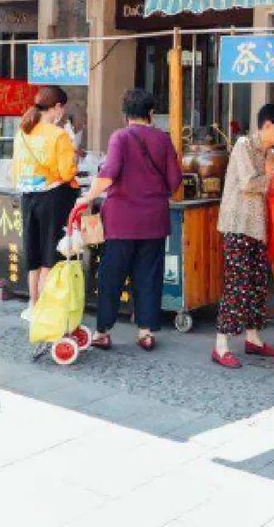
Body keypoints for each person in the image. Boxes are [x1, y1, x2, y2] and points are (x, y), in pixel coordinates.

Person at [74, 89, 181, 352]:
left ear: (125, 115)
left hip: (121, 222)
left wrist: (86, 198)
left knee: (112, 276)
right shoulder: (163, 140)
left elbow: (108, 174)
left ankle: (102, 331)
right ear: (151, 113)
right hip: (154, 221)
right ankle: (146, 331)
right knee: (149, 275)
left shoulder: (120, 137)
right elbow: (175, 181)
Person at [213, 103, 274, 369]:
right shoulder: (244, 145)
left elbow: (269, 188)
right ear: (267, 125)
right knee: (236, 286)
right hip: (238, 224)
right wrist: (272, 174)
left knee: (257, 285)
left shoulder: (269, 151)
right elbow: (249, 183)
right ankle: (220, 345)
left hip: (259, 227)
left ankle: (253, 338)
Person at [12, 86, 78, 323]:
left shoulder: (23, 131)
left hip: (27, 197)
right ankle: (46, 310)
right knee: (50, 254)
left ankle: (33, 304)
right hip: (52, 198)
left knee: (34, 255)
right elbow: (67, 172)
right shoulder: (58, 135)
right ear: (58, 107)